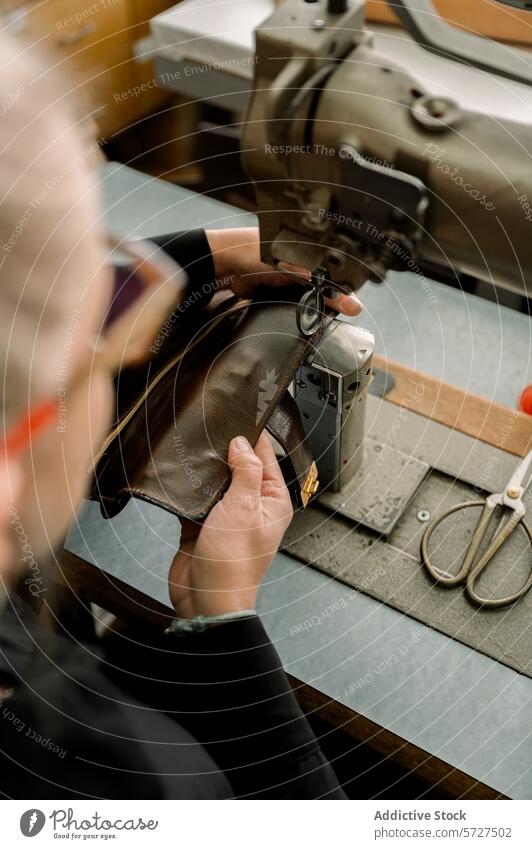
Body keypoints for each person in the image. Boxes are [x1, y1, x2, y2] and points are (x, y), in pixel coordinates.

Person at [0, 32, 363, 799]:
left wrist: (203, 258)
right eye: (105, 332)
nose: (125, 339)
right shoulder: (135, 785)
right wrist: (225, 626)